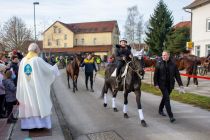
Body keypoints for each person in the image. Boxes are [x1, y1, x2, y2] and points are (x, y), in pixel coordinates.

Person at [16, 43, 60, 130]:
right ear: (36, 50)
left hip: (25, 88)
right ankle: (40, 125)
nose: (39, 50)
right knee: (39, 103)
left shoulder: (23, 61)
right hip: (36, 88)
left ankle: (27, 125)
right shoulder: (37, 60)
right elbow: (47, 71)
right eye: (39, 49)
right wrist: (55, 68)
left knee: (28, 104)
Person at [154, 50, 184, 123]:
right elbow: (155, 75)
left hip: (170, 85)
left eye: (165, 55)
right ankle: (171, 116)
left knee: (165, 97)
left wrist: (181, 85)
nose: (163, 56)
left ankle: (160, 109)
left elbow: (177, 75)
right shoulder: (159, 63)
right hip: (162, 84)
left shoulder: (173, 64)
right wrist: (156, 84)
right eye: (162, 55)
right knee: (167, 98)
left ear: (168, 56)